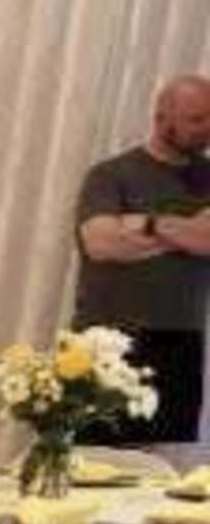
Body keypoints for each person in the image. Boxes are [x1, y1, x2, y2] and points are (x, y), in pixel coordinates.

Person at [72, 74, 210, 445]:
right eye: (197, 120)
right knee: (97, 460)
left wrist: (144, 224)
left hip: (180, 340)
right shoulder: (111, 175)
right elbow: (101, 243)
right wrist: (185, 234)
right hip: (108, 340)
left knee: (163, 468)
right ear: (162, 119)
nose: (207, 130)